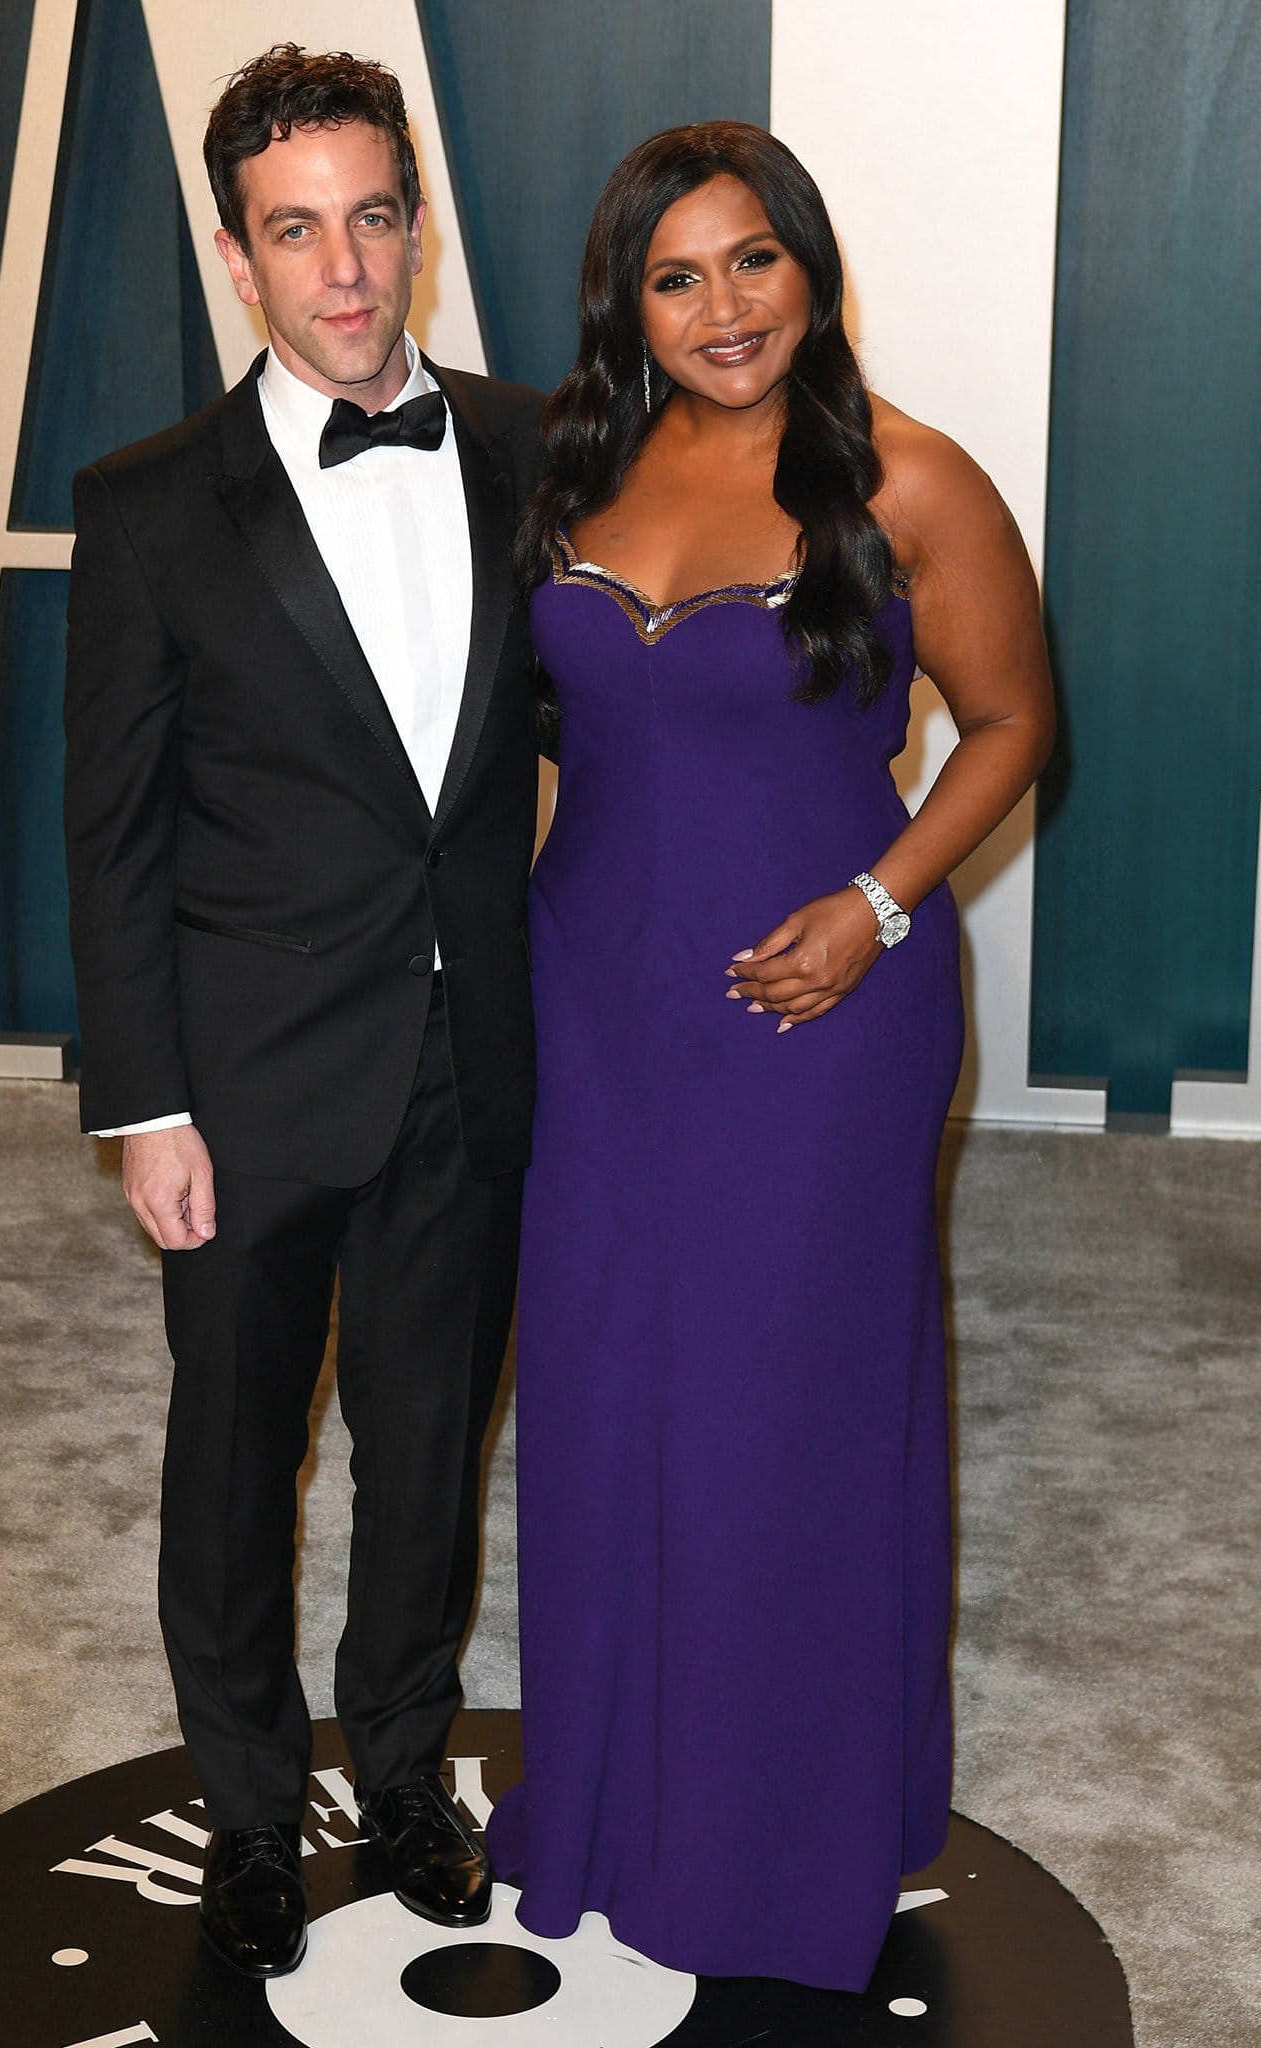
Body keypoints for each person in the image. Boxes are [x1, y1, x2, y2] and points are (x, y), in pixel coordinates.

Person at [484, 122, 1055, 1993]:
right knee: (596, 1394)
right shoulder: (574, 465)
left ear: (812, 269)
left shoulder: (908, 479)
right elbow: (559, 745)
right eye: (677, 276)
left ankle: (776, 1840)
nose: (723, 310)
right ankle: (601, 1799)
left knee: (781, 1413)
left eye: (755, 262)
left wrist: (879, 905)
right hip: (595, 1003)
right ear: (625, 305)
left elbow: (1008, 720)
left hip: (821, 1006)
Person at [62, 44, 543, 1979]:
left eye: (370, 218)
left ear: (413, 222)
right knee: (234, 1456)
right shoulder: (151, 502)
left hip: (472, 1059)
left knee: (428, 1449)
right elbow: (109, 832)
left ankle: (409, 1773)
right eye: (294, 232)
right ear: (237, 254)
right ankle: (251, 1812)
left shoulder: (533, 445)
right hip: (245, 1081)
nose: (343, 272)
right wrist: (141, 1101)